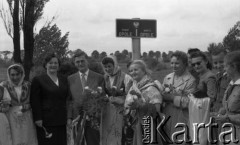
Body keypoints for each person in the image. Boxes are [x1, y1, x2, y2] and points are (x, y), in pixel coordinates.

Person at [30, 53, 70, 145]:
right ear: (45, 65)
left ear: (59, 65)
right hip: (45, 121)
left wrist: (69, 117)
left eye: (56, 63)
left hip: (61, 120)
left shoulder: (64, 79)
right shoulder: (38, 80)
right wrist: (38, 118)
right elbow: (35, 101)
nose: (53, 65)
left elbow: (67, 98)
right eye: (50, 63)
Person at [67, 50, 105, 145]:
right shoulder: (70, 79)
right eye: (77, 62)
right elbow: (69, 100)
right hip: (77, 119)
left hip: (93, 120)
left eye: (82, 61)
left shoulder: (99, 77)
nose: (80, 63)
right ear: (74, 63)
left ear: (87, 61)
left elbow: (102, 98)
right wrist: (69, 117)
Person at [125, 60, 163, 145]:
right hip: (137, 123)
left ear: (143, 70)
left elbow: (157, 109)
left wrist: (140, 105)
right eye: (130, 71)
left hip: (149, 124)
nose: (133, 72)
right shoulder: (133, 87)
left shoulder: (151, 87)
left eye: (136, 69)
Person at [161, 51, 196, 145]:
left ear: (185, 64)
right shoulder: (167, 77)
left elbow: (189, 102)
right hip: (167, 115)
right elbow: (162, 94)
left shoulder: (191, 80)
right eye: (172, 63)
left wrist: (172, 98)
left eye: (177, 63)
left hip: (181, 116)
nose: (173, 66)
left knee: (179, 140)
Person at [1, 64, 38, 145]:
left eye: (17, 74)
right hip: (10, 117)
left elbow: (35, 101)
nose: (15, 77)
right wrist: (5, 104)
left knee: (28, 138)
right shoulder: (4, 86)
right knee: (14, 139)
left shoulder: (28, 85)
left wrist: (29, 105)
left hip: (27, 116)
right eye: (12, 75)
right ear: (8, 74)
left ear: (22, 74)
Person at [100, 55, 132, 145]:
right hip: (109, 112)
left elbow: (131, 95)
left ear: (115, 65)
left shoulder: (126, 77)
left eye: (109, 66)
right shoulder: (105, 78)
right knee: (110, 134)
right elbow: (103, 92)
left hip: (122, 111)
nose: (107, 69)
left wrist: (119, 100)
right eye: (105, 67)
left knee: (121, 135)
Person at [189, 51, 217, 145]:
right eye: (193, 64)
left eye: (198, 63)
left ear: (206, 61)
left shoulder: (210, 77)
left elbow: (212, 99)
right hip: (199, 114)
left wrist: (194, 97)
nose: (196, 66)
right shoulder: (199, 75)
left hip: (206, 115)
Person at [214, 51, 240, 145]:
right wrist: (223, 110)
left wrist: (227, 118)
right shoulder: (231, 84)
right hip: (227, 132)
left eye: (226, 66)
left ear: (234, 67)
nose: (224, 69)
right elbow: (229, 106)